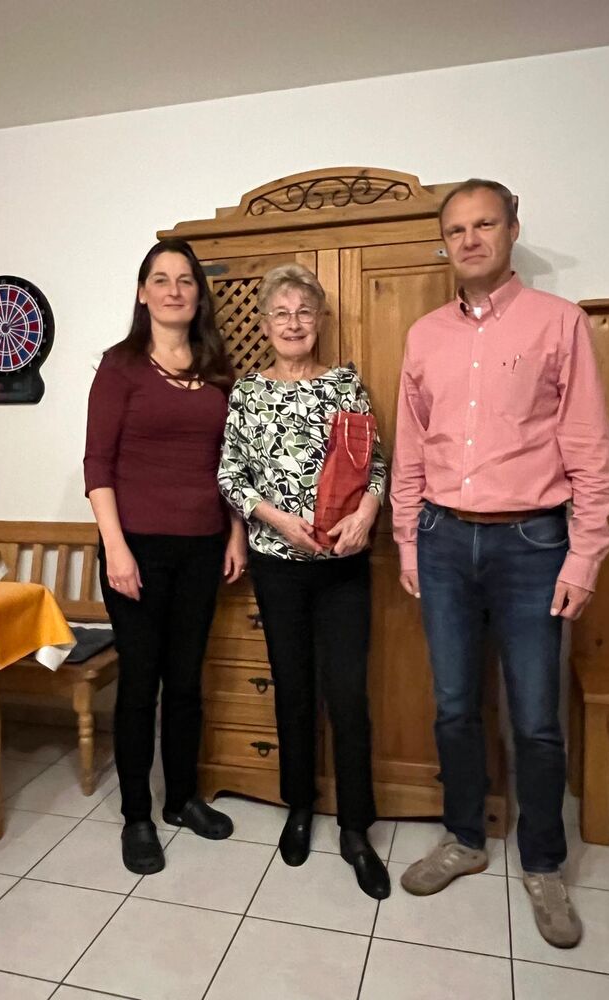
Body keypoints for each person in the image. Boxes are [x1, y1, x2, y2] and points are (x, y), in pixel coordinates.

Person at [391, 179, 609, 947]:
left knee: (536, 718)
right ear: (445, 244)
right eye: (456, 229)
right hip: (442, 541)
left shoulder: (560, 323)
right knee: (454, 704)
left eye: (484, 223)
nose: (470, 239)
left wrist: (585, 555)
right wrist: (407, 538)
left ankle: (545, 863)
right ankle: (464, 837)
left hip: (533, 545)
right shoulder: (424, 336)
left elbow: (589, 446)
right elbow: (412, 448)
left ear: (512, 229)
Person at [218, 264, 391, 900]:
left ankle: (355, 828)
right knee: (292, 691)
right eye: (281, 313)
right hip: (278, 565)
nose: (293, 324)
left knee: (347, 696)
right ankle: (299, 807)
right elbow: (231, 476)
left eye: (304, 312)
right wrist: (277, 521)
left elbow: (376, 466)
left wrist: (367, 514)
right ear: (265, 324)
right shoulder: (246, 393)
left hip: (343, 568)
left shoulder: (345, 384)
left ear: (320, 321)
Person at [84, 238, 247, 875]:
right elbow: (98, 464)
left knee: (184, 682)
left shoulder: (216, 367)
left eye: (185, 279)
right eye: (161, 278)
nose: (174, 289)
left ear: (198, 294)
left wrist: (234, 533)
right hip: (137, 549)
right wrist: (117, 550)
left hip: (202, 546)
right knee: (140, 685)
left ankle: (180, 800)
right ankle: (137, 817)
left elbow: (228, 463)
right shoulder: (120, 365)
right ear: (142, 292)